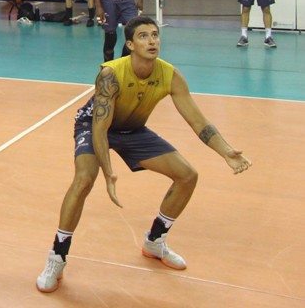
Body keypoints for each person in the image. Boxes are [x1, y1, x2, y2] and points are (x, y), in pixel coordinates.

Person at [36, 15, 252, 294]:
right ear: (130, 44)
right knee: (85, 179)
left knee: (187, 175)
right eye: (143, 36)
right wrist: (109, 173)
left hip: (133, 130)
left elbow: (197, 121)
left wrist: (226, 152)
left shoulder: (169, 75)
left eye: (155, 35)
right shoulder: (110, 74)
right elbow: (101, 130)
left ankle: (155, 240)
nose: (152, 41)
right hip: (95, 126)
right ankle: (57, 256)